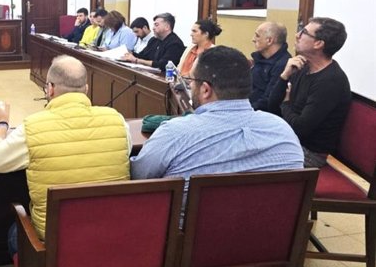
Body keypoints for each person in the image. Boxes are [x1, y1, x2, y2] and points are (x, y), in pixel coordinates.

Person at [0, 55, 131, 267]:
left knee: (17, 231)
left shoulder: (33, 126)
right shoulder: (118, 121)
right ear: (86, 89)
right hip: (114, 239)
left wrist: (1, 124)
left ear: (49, 89)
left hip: (57, 246)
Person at [131, 46, 304, 193]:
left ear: (205, 90)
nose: (190, 86)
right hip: (272, 231)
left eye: (191, 80)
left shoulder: (174, 132)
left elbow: (138, 177)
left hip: (190, 232)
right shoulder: (284, 132)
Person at [268, 17, 351, 168]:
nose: (297, 35)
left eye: (304, 32)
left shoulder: (331, 81)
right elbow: (272, 106)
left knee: (247, 159)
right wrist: (284, 76)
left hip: (309, 153)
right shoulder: (302, 66)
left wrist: (286, 103)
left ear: (318, 43)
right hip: (289, 138)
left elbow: (301, 128)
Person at [249, 22, 291, 112]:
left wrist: (246, 110)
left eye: (257, 36)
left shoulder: (283, 65)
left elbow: (268, 100)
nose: (253, 39)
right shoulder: (259, 59)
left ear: (269, 40)